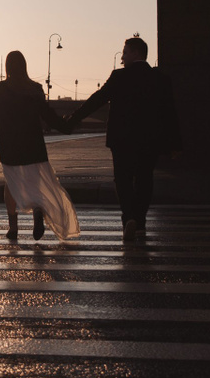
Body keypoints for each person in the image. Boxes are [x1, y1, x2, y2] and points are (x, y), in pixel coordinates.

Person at [65, 35, 180, 242]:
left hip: (122, 139)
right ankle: (140, 222)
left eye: (125, 52)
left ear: (136, 53)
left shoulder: (119, 77)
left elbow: (97, 100)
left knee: (123, 179)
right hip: (150, 140)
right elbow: (170, 113)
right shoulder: (161, 79)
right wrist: (175, 144)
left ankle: (128, 217)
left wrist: (73, 119)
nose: (122, 58)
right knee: (144, 179)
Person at [0, 50, 79, 242]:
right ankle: (38, 210)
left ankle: (13, 227)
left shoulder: (1, 88)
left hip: (10, 144)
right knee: (35, 182)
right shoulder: (35, 89)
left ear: (7, 67)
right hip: (33, 144)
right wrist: (66, 125)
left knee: (11, 183)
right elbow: (47, 115)